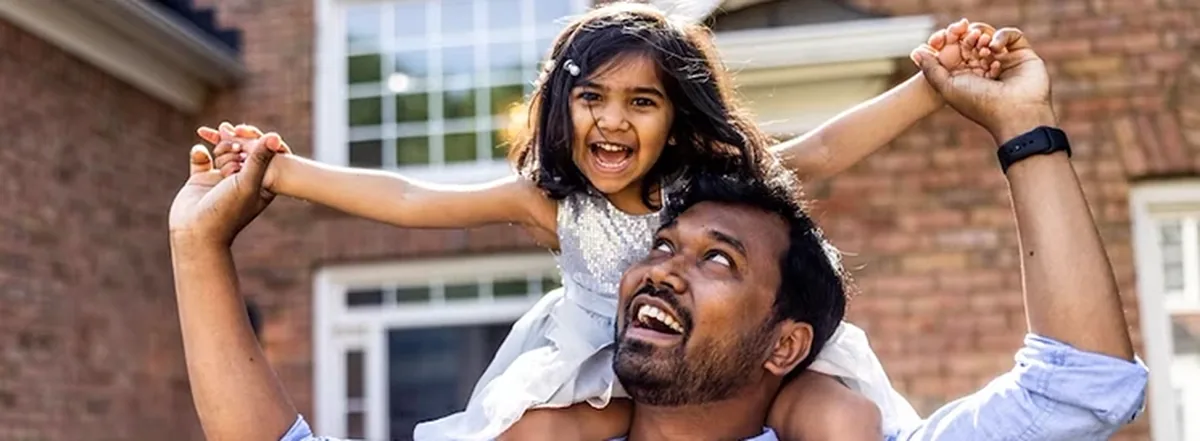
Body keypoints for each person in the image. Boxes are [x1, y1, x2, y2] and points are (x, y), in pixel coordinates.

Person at [169, 19, 1147, 441]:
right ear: (560, 109)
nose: (611, 123)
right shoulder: (554, 204)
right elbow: (413, 200)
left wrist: (937, 90)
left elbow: (835, 147)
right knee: (543, 429)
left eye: (641, 102)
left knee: (841, 419)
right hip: (597, 364)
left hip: (765, 384)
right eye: (590, 98)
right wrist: (278, 175)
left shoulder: (731, 184)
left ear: (681, 117)